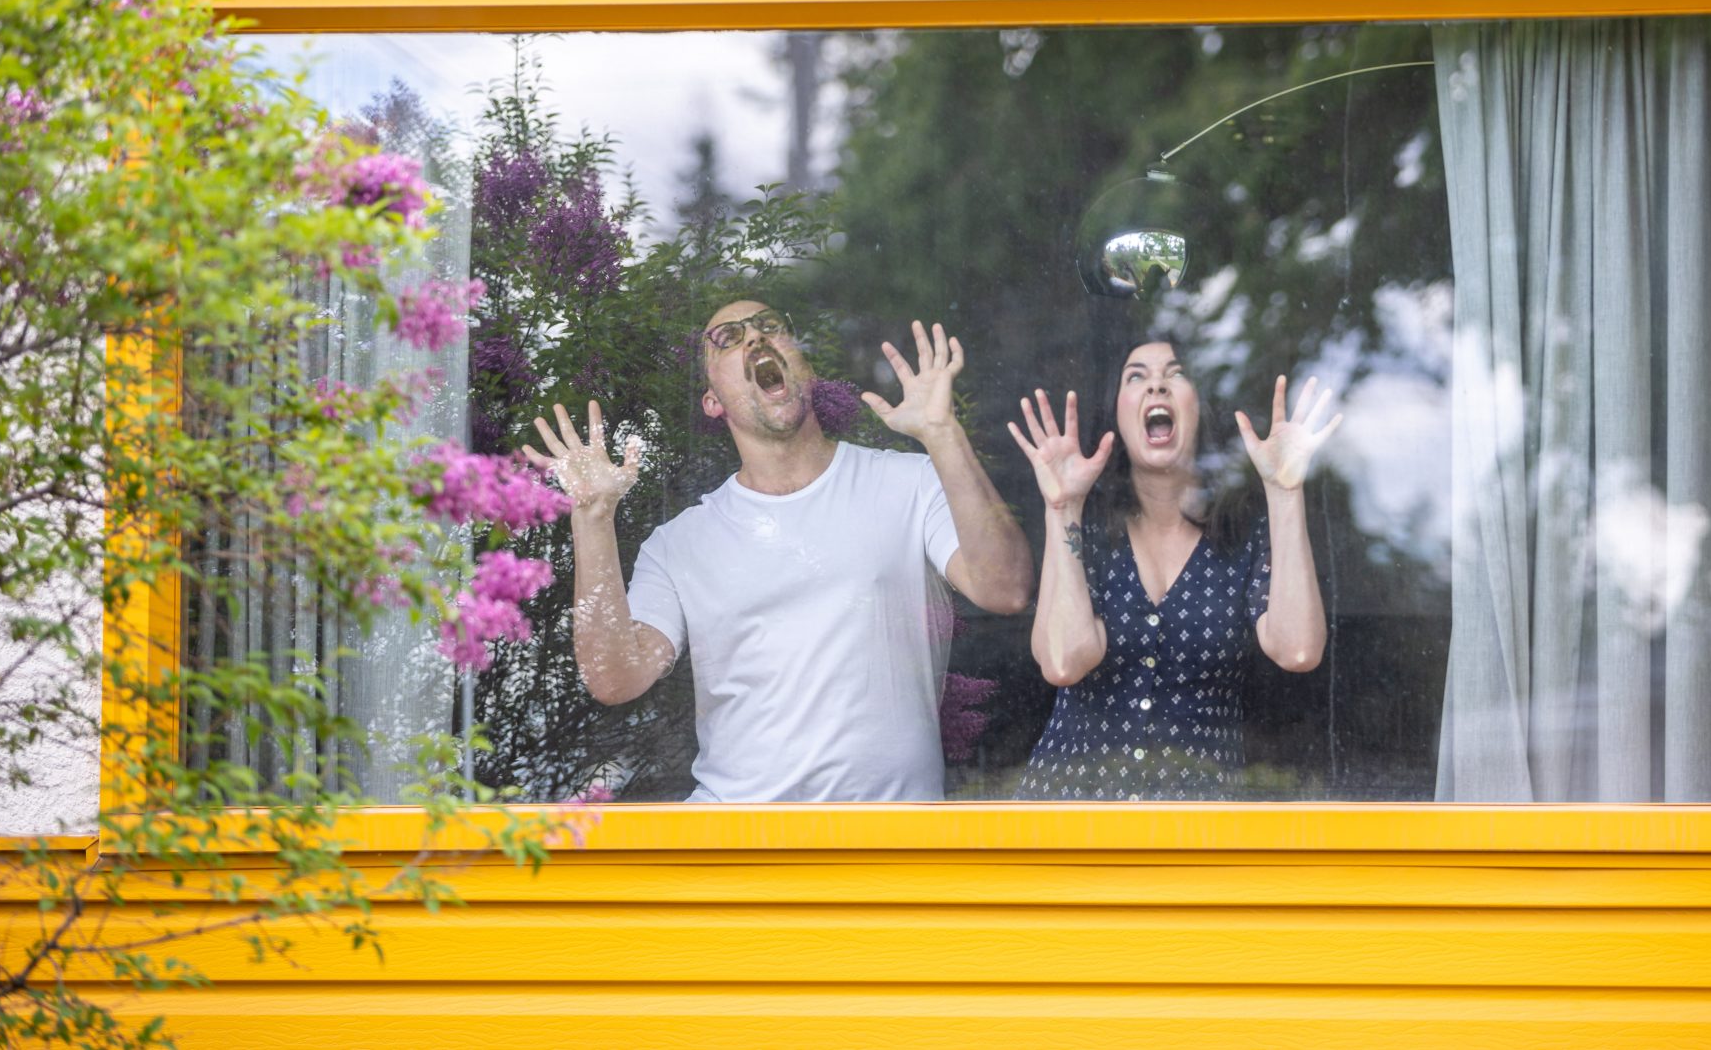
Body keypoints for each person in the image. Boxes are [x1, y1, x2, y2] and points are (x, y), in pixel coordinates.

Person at [523, 301, 1033, 803]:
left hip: (891, 844)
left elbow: (1005, 587)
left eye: (769, 325)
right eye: (728, 338)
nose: (754, 337)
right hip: (739, 847)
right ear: (712, 401)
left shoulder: (908, 483)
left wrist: (943, 435)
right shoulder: (679, 545)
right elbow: (617, 678)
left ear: (804, 367)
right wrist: (592, 520)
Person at [1006, 341, 1340, 800]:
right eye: (1136, 376)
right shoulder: (1089, 533)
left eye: (1176, 373)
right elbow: (1064, 661)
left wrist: (1284, 492)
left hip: (1199, 837)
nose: (1157, 383)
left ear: (1200, 407)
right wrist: (1062, 506)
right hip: (1071, 827)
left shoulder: (1244, 533)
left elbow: (1298, 650)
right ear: (1118, 417)